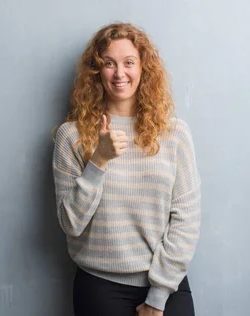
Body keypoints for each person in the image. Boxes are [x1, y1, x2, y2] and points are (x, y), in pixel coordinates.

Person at [52, 22, 202, 316]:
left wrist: (157, 297)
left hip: (166, 284)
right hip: (100, 287)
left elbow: (187, 219)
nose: (120, 74)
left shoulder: (175, 134)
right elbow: (70, 223)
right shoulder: (71, 136)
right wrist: (99, 161)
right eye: (109, 64)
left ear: (143, 67)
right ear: (97, 72)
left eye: (129, 63)